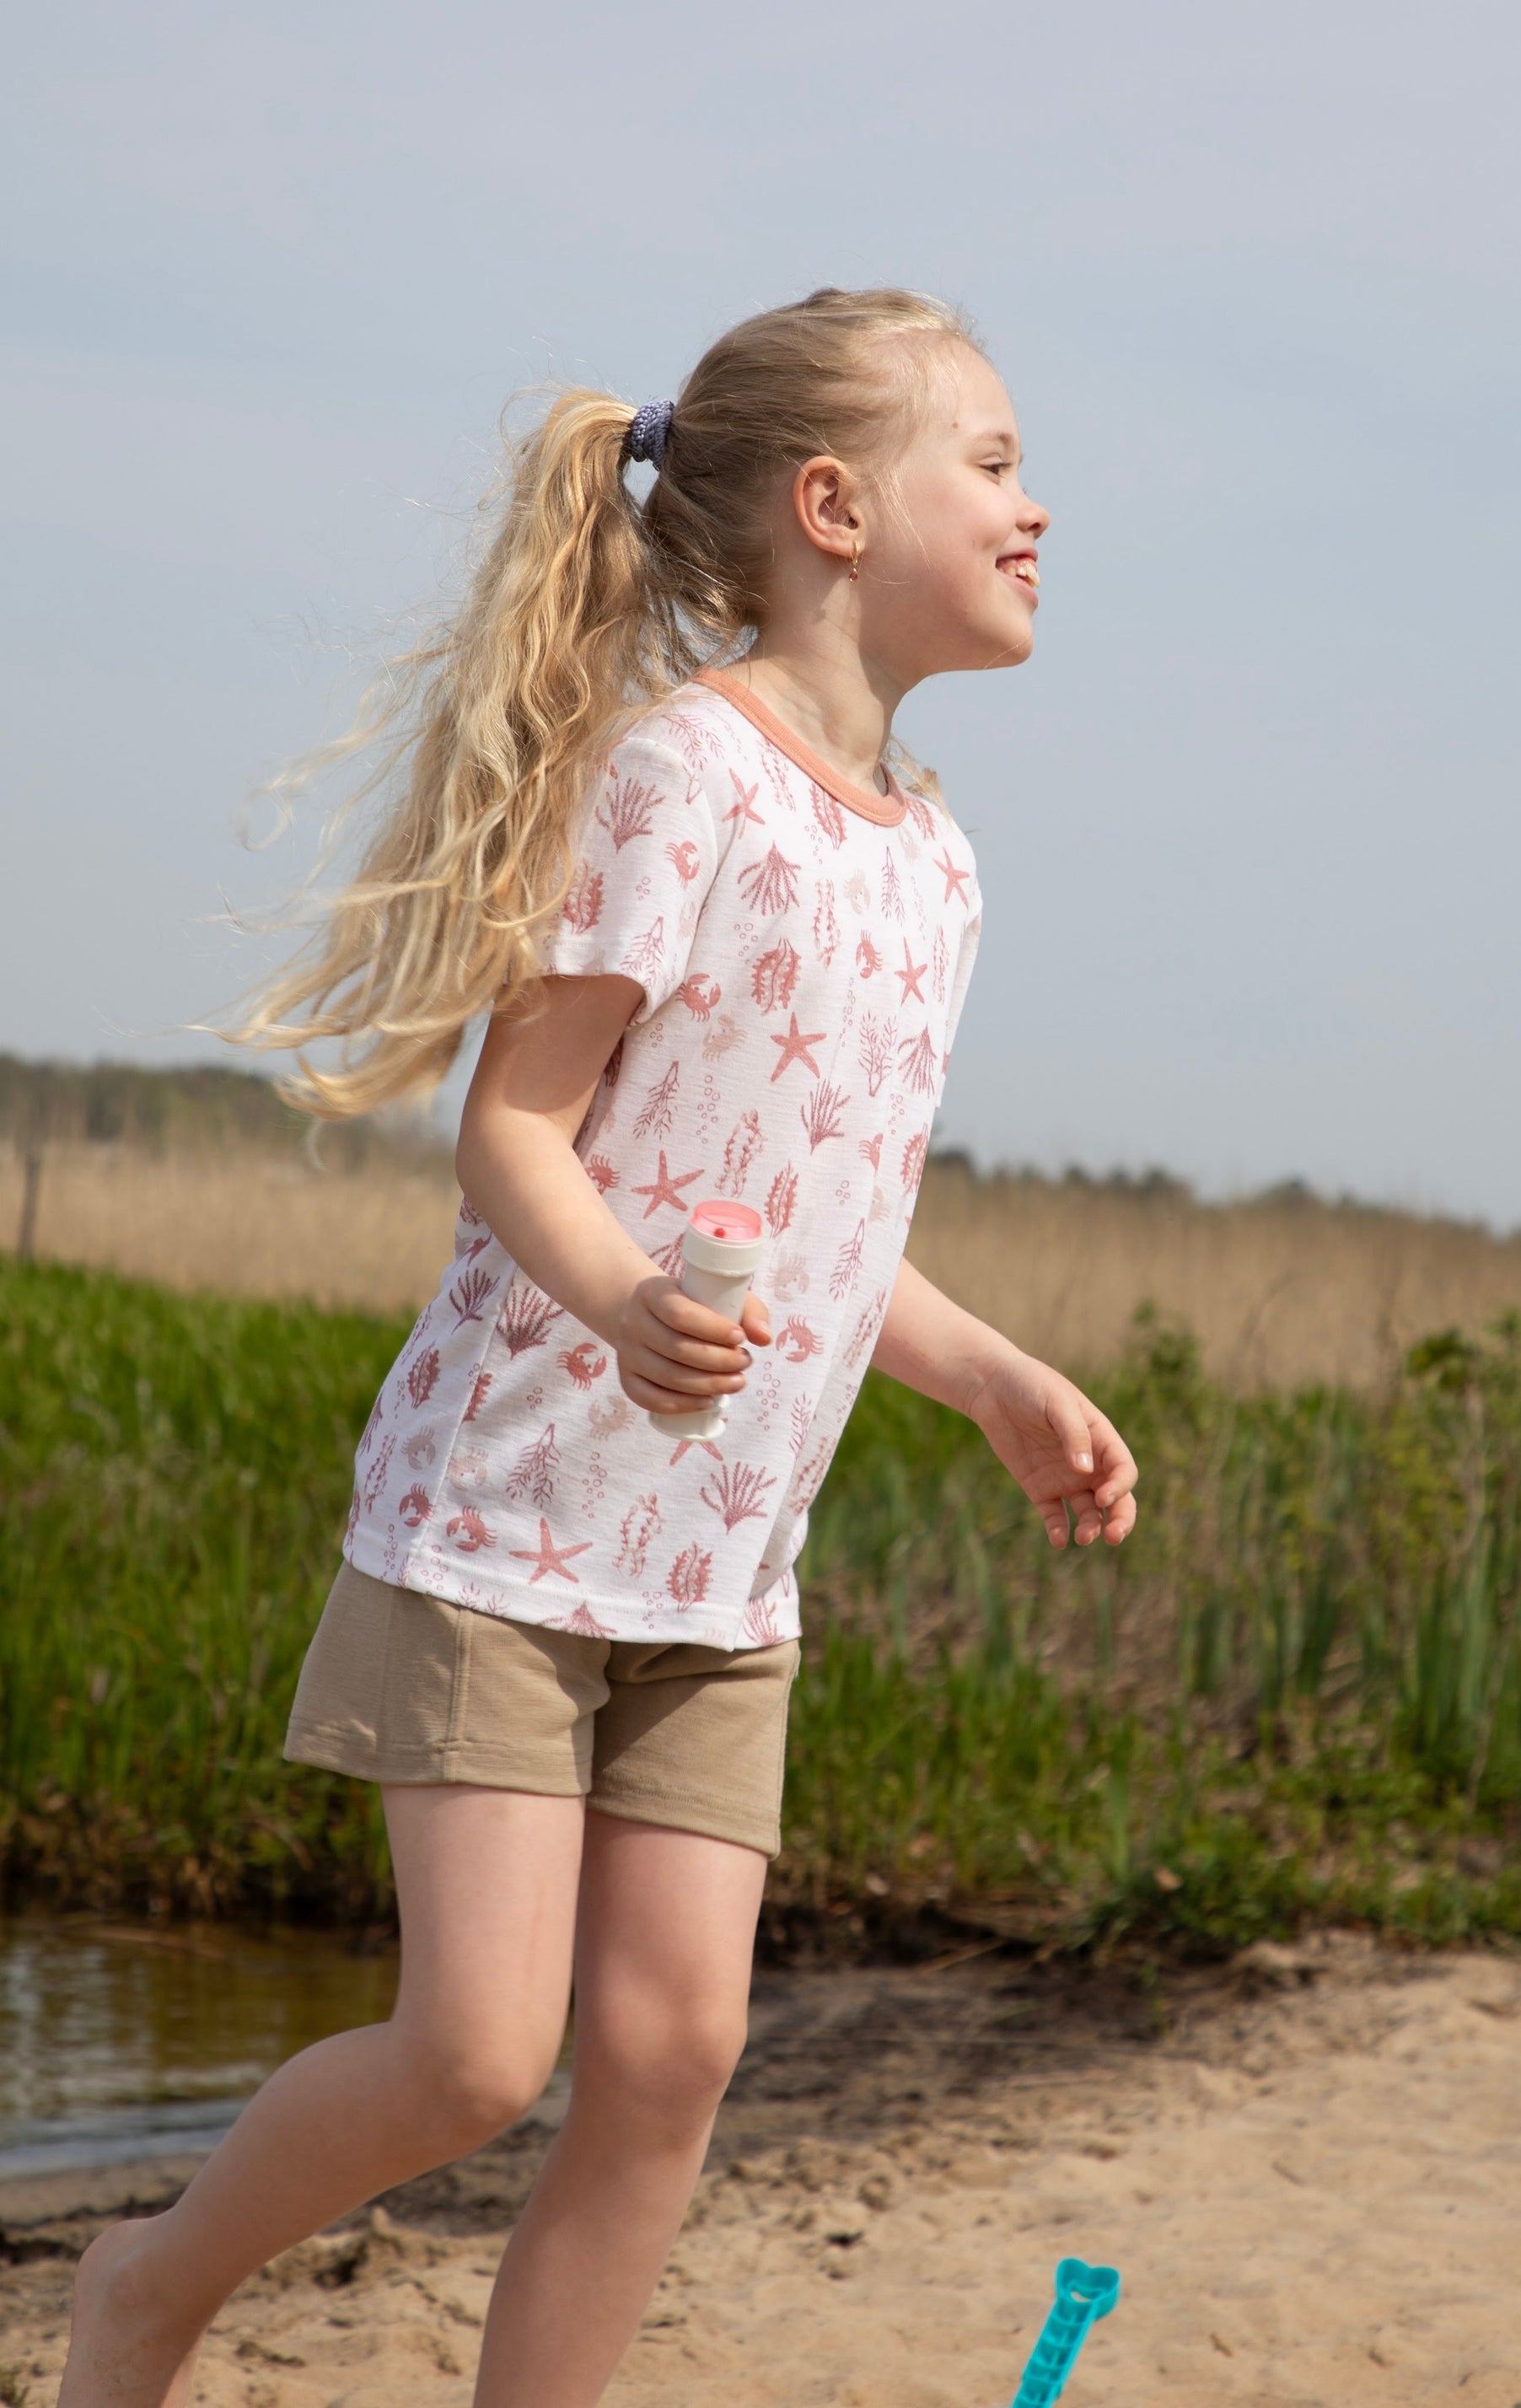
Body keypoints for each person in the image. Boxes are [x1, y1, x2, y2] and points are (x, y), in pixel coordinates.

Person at [60, 285, 1138, 2408]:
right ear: (833, 508)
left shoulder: (937, 863)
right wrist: (628, 1302)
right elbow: (515, 1128)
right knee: (475, 2052)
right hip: (508, 1527)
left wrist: (994, 1375)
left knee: (669, 2057)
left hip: (725, 1575)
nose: (1040, 509)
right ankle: (148, 2281)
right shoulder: (683, 776)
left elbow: (828, 1229)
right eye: (995, 464)